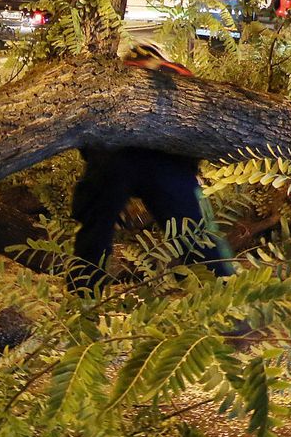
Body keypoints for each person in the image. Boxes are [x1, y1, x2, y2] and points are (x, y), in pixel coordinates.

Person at [70, 41, 236, 290]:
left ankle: (82, 299)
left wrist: (94, 169)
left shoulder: (112, 78)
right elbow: (200, 126)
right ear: (161, 56)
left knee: (95, 232)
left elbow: (86, 130)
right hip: (167, 162)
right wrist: (191, 171)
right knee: (196, 233)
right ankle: (225, 295)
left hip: (113, 159)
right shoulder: (179, 74)